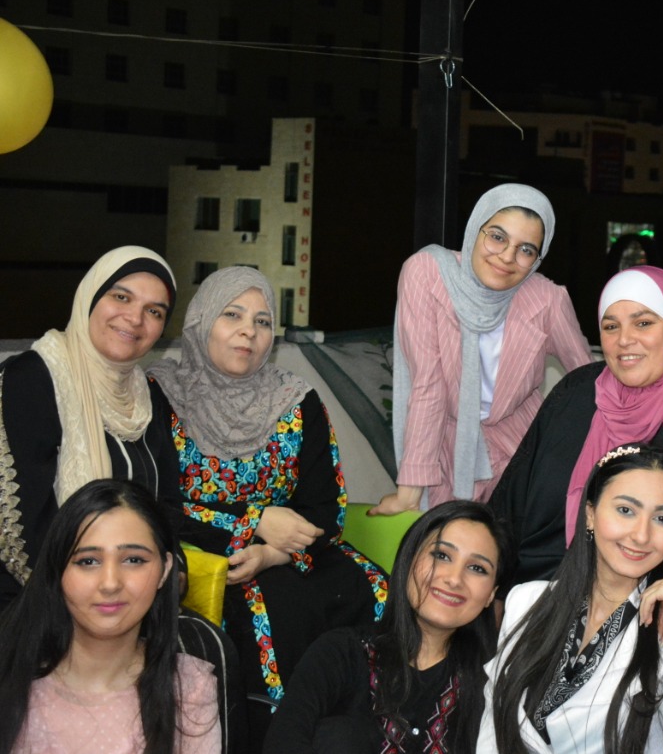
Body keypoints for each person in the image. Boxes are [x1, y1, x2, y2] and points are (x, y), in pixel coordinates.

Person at [0, 245, 244, 752]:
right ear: (90, 297)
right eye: (121, 297)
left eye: (154, 311)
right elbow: (23, 523)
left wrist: (172, 566)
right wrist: (87, 586)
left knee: (213, 646)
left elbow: (165, 507)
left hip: (129, 587)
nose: (135, 318)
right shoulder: (32, 378)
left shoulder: (146, 396)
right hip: (37, 592)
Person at [149, 266, 389, 709]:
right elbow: (157, 505)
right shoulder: (161, 396)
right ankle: (282, 730)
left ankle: (366, 726)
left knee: (376, 591)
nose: (249, 331)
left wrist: (275, 552)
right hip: (211, 557)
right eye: (232, 315)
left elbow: (328, 509)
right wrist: (254, 522)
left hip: (294, 552)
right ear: (202, 322)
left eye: (262, 321)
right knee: (275, 611)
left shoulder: (296, 400)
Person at [488, 265, 663, 588]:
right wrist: (494, 589)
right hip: (537, 590)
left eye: (643, 323)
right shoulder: (577, 394)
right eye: (611, 326)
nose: (624, 340)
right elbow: (507, 509)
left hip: (658, 601)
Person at [480, 445, 663, 753]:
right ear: (590, 514)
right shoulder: (526, 600)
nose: (641, 535)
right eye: (626, 510)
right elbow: (492, 721)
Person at [376, 183, 593, 515]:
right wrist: (409, 492)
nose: (507, 257)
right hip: (445, 451)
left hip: (525, 451)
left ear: (538, 258)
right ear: (476, 228)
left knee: (517, 542)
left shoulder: (548, 299)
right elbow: (428, 385)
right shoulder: (428, 273)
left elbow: (588, 381)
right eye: (497, 237)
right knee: (445, 539)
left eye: (526, 249)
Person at [264, 500, 514, 754]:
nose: (454, 579)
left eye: (477, 568)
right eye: (441, 555)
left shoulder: (494, 687)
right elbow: (282, 742)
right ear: (409, 559)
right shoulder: (340, 653)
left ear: (491, 594)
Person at [0, 478, 220, 754]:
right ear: (57, 570)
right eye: (88, 561)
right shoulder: (12, 681)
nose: (110, 583)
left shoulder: (189, 688)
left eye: (133, 560)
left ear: (165, 570)